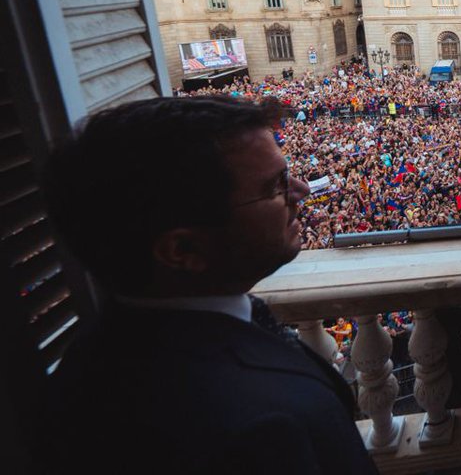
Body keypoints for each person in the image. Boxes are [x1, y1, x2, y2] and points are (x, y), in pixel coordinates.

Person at [43, 96, 378, 474]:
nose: (302, 192)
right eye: (275, 187)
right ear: (182, 249)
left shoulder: (97, 358)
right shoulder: (256, 424)